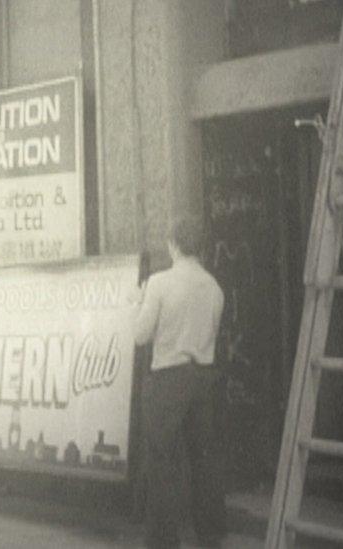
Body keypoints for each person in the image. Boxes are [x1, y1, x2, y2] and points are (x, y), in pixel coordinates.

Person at [133, 218, 226, 549]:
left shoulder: (159, 283)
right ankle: (211, 538)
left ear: (173, 244)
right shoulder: (215, 288)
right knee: (203, 462)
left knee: (163, 465)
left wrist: (140, 300)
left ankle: (162, 543)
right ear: (200, 248)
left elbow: (140, 335)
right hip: (203, 379)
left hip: (168, 380)